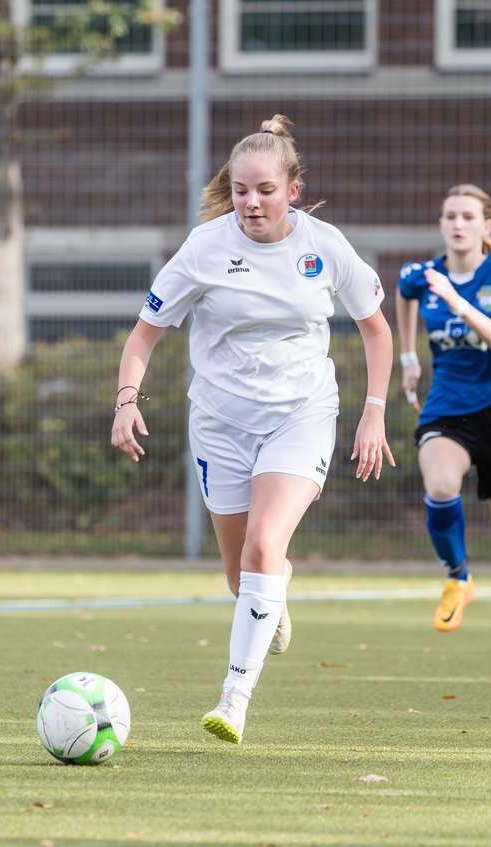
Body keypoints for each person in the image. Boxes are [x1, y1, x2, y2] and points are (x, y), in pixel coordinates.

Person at [110, 115, 396, 743]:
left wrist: (374, 410)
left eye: (265, 190)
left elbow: (377, 329)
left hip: (301, 413)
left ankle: (234, 698)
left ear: (293, 189)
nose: (251, 202)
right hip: (219, 421)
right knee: (243, 575)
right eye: (241, 190)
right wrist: (126, 401)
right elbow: (144, 334)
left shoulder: (325, 248)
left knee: (265, 545)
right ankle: (274, 592)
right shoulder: (205, 247)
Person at [395, 183, 491, 683]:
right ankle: (458, 579)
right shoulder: (424, 275)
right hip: (447, 411)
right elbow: (404, 290)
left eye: (467, 216)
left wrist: (457, 301)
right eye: (449, 216)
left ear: (487, 226)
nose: (457, 224)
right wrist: (409, 357)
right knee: (439, 486)